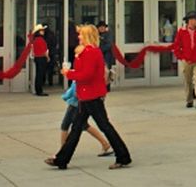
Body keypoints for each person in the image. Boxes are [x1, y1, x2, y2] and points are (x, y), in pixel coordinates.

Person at [45, 24, 132, 171]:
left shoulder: (91, 52)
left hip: (91, 96)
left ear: (87, 36)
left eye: (81, 34)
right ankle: (62, 159)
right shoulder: (87, 51)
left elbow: (87, 75)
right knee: (77, 128)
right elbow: (85, 72)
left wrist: (69, 73)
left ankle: (123, 156)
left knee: (102, 126)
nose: (78, 37)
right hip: (86, 96)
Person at [59, 46, 113, 157]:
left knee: (68, 125)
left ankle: (63, 152)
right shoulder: (87, 64)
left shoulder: (88, 63)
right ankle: (105, 143)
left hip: (78, 101)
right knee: (82, 125)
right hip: (81, 100)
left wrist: (66, 96)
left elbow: (77, 86)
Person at [172, 11, 196, 109]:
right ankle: (189, 99)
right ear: (189, 21)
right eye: (194, 19)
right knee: (188, 81)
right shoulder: (182, 31)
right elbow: (176, 46)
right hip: (187, 60)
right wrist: (181, 57)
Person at [96, 21, 115, 90]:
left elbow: (109, 45)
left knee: (107, 70)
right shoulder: (96, 34)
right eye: (100, 27)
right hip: (99, 56)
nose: (102, 28)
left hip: (107, 55)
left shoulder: (108, 34)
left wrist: (99, 50)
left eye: (103, 27)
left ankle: (107, 87)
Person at [32, 23, 50, 96]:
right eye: (42, 30)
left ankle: (38, 90)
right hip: (41, 58)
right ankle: (39, 90)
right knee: (41, 74)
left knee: (38, 74)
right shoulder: (41, 40)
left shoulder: (35, 39)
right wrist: (47, 57)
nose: (43, 31)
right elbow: (44, 50)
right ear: (38, 32)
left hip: (37, 58)